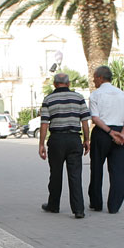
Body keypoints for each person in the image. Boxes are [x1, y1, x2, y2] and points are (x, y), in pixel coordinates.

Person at [38, 72, 91, 218]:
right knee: (75, 175)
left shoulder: (48, 99)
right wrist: (87, 140)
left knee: (55, 174)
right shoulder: (79, 98)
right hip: (74, 139)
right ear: (68, 84)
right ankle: (78, 209)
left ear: (55, 84)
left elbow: (44, 123)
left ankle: (53, 205)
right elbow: (85, 122)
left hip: (56, 140)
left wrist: (41, 144)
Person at [87, 65, 124, 214]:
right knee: (119, 171)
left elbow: (95, 118)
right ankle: (114, 206)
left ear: (100, 78)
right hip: (120, 133)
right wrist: (122, 133)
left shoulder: (95, 95)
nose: (94, 81)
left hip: (102, 133)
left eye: (95, 78)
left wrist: (109, 132)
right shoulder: (123, 94)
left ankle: (96, 203)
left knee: (96, 168)